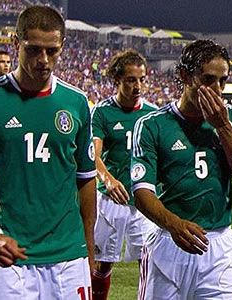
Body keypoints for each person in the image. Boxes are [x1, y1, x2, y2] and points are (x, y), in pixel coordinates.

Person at [0, 6, 96, 300]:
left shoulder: (77, 102)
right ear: (16, 43)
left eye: (52, 50)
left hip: (69, 255)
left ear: (62, 47)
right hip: (11, 253)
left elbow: (86, 180)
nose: (43, 60)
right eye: (33, 50)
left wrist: (88, 247)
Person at [131, 39, 232, 299]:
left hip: (219, 246)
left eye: (222, 80)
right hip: (169, 242)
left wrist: (222, 127)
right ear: (184, 76)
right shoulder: (152, 125)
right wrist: (174, 224)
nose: (217, 89)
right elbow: (141, 193)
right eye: (208, 79)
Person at [90, 49, 157, 300]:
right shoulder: (102, 112)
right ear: (117, 80)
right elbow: (93, 155)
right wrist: (108, 180)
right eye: (131, 79)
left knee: (148, 261)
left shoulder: (153, 113)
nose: (137, 85)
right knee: (104, 262)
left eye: (141, 79)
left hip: (144, 201)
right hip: (110, 200)